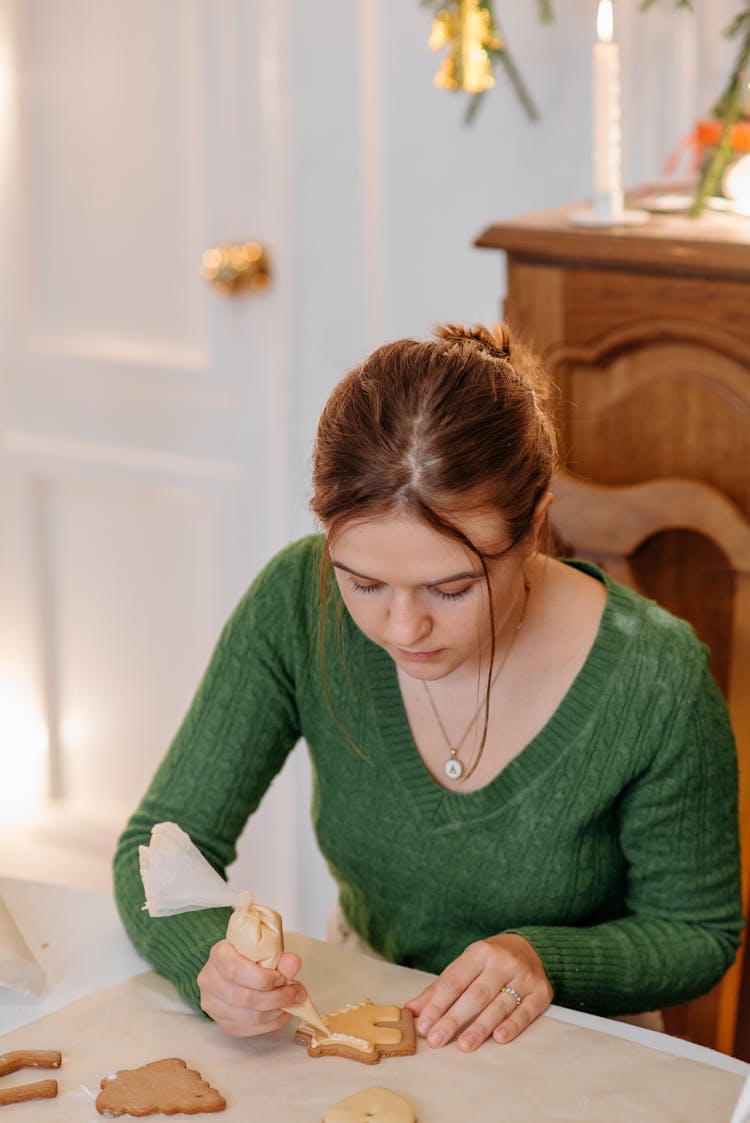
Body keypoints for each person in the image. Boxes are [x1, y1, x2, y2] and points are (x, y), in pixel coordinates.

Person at [113, 322, 744, 1053]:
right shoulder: (297, 600)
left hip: (573, 1039)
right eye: (365, 582)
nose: (403, 626)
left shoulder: (656, 676)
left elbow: (698, 931)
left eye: (450, 587)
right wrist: (209, 966)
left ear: (535, 526)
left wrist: (545, 959)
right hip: (367, 1010)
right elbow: (159, 846)